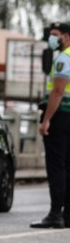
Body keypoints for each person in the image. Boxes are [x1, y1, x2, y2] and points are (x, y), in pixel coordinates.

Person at [31, 21, 70, 229]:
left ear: (66, 36)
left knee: (56, 166)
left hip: (61, 116)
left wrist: (46, 120)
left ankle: (56, 213)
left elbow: (57, 92)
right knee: (68, 166)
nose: (52, 39)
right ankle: (68, 214)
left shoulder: (64, 58)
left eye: (55, 35)